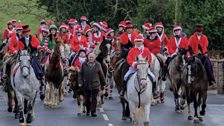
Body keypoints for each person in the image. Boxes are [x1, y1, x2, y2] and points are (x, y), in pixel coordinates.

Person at [188, 24, 217, 89]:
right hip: (194, 55)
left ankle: (210, 79)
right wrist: (192, 54)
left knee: (208, 63)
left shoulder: (204, 37)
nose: (199, 32)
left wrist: (206, 53)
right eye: (198, 31)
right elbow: (189, 47)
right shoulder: (192, 37)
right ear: (196, 31)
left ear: (202, 31)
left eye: (200, 31)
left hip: (202, 55)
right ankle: (191, 77)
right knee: (190, 64)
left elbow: (206, 47)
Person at [78, 53, 106, 117]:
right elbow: (80, 74)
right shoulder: (83, 65)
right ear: (88, 58)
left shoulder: (98, 65)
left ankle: (93, 112)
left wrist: (103, 83)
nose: (91, 58)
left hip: (95, 84)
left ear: (94, 58)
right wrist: (80, 82)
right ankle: (88, 110)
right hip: (86, 84)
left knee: (94, 98)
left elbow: (101, 75)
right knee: (87, 99)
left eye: (92, 57)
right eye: (90, 57)